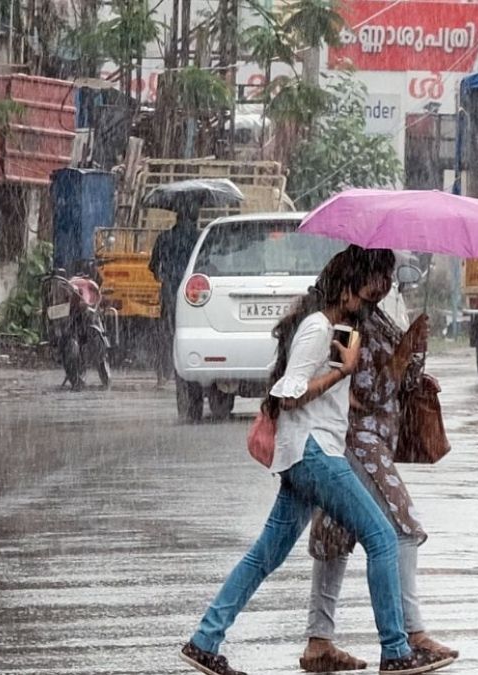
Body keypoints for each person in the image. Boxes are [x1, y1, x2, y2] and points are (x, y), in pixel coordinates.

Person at [180, 248, 454, 675]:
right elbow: (287, 394)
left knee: (263, 557)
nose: (373, 299)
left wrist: (355, 382)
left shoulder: (334, 326)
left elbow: (325, 391)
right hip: (315, 453)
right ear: (346, 285)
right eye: (369, 291)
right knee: (381, 538)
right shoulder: (317, 327)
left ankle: (204, 641)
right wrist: (341, 374)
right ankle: (397, 651)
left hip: (302, 454)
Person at [300, 249, 457, 673]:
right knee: (402, 527)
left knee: (334, 538)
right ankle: (411, 634)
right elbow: (354, 392)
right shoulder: (344, 323)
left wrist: (414, 352)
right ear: (356, 277)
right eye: (377, 275)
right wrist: (401, 358)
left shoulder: (375, 316)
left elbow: (396, 380)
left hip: (375, 440)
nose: (385, 283)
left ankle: (319, 642)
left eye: (388, 275)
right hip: (355, 442)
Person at [149, 203, 201, 385]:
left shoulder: (164, 237)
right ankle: (190, 368)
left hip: (170, 289)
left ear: (177, 218)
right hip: (194, 293)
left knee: (167, 332)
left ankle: (164, 373)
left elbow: (153, 266)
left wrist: (163, 276)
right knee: (194, 330)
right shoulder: (199, 238)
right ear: (195, 218)